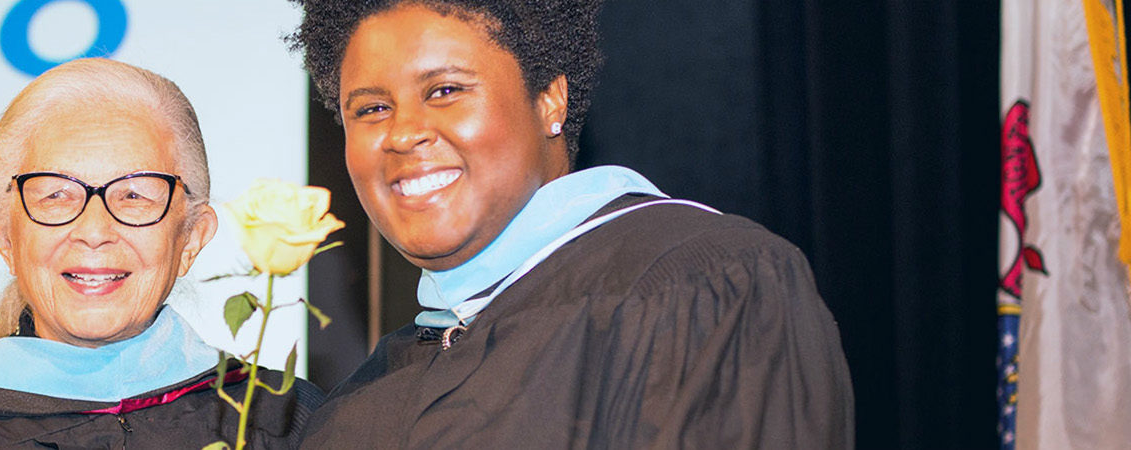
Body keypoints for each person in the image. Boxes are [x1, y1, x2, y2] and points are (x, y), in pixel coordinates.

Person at [287, 1, 853, 448]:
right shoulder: (360, 405)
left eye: (445, 91)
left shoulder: (701, 284)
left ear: (550, 100)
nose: (403, 133)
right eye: (371, 109)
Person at [0, 58, 322, 449]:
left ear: (191, 237)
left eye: (135, 195)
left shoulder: (290, 425)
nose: (94, 230)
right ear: (4, 234)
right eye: (56, 195)